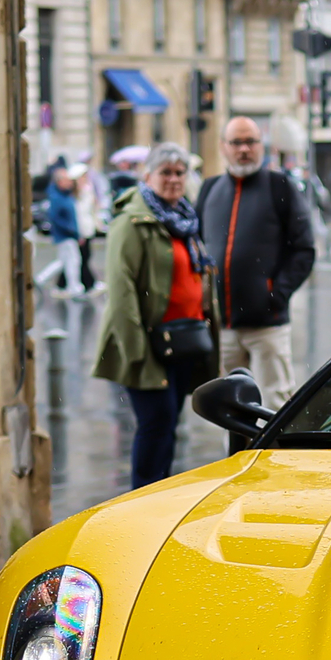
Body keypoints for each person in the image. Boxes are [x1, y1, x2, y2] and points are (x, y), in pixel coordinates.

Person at [94, 143, 217, 489]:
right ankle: (144, 493)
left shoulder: (185, 219)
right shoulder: (132, 222)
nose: (174, 179)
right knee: (155, 423)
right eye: (165, 172)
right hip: (149, 343)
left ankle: (160, 491)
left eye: (180, 172)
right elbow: (122, 291)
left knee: (168, 423)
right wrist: (136, 351)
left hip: (181, 340)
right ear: (147, 176)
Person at [197, 116, 316, 407]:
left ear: (262, 146)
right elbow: (198, 248)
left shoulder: (280, 186)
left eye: (250, 141)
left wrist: (276, 293)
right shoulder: (210, 189)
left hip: (267, 326)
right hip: (222, 327)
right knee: (229, 409)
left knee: (274, 404)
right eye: (236, 142)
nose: (244, 149)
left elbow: (304, 249)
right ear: (223, 147)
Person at [44, 158, 84, 290]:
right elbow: (55, 217)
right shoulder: (57, 197)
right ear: (60, 181)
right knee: (72, 261)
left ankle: (42, 279)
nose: (70, 182)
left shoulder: (66, 195)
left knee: (65, 262)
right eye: (67, 180)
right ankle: (74, 287)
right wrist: (72, 231)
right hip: (65, 235)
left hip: (68, 234)